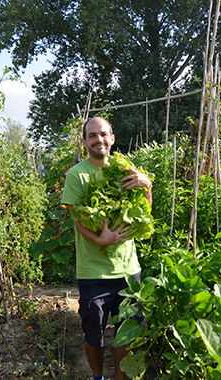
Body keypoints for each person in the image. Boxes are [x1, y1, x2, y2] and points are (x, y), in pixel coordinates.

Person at [61, 116, 152, 380]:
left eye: (103, 134)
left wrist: (147, 186)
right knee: (94, 332)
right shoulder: (77, 175)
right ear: (84, 142)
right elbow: (77, 220)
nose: (98, 139)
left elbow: (144, 212)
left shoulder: (126, 169)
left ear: (112, 139)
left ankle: (121, 378)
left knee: (127, 330)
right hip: (93, 272)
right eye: (92, 135)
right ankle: (98, 377)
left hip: (128, 269)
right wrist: (100, 240)